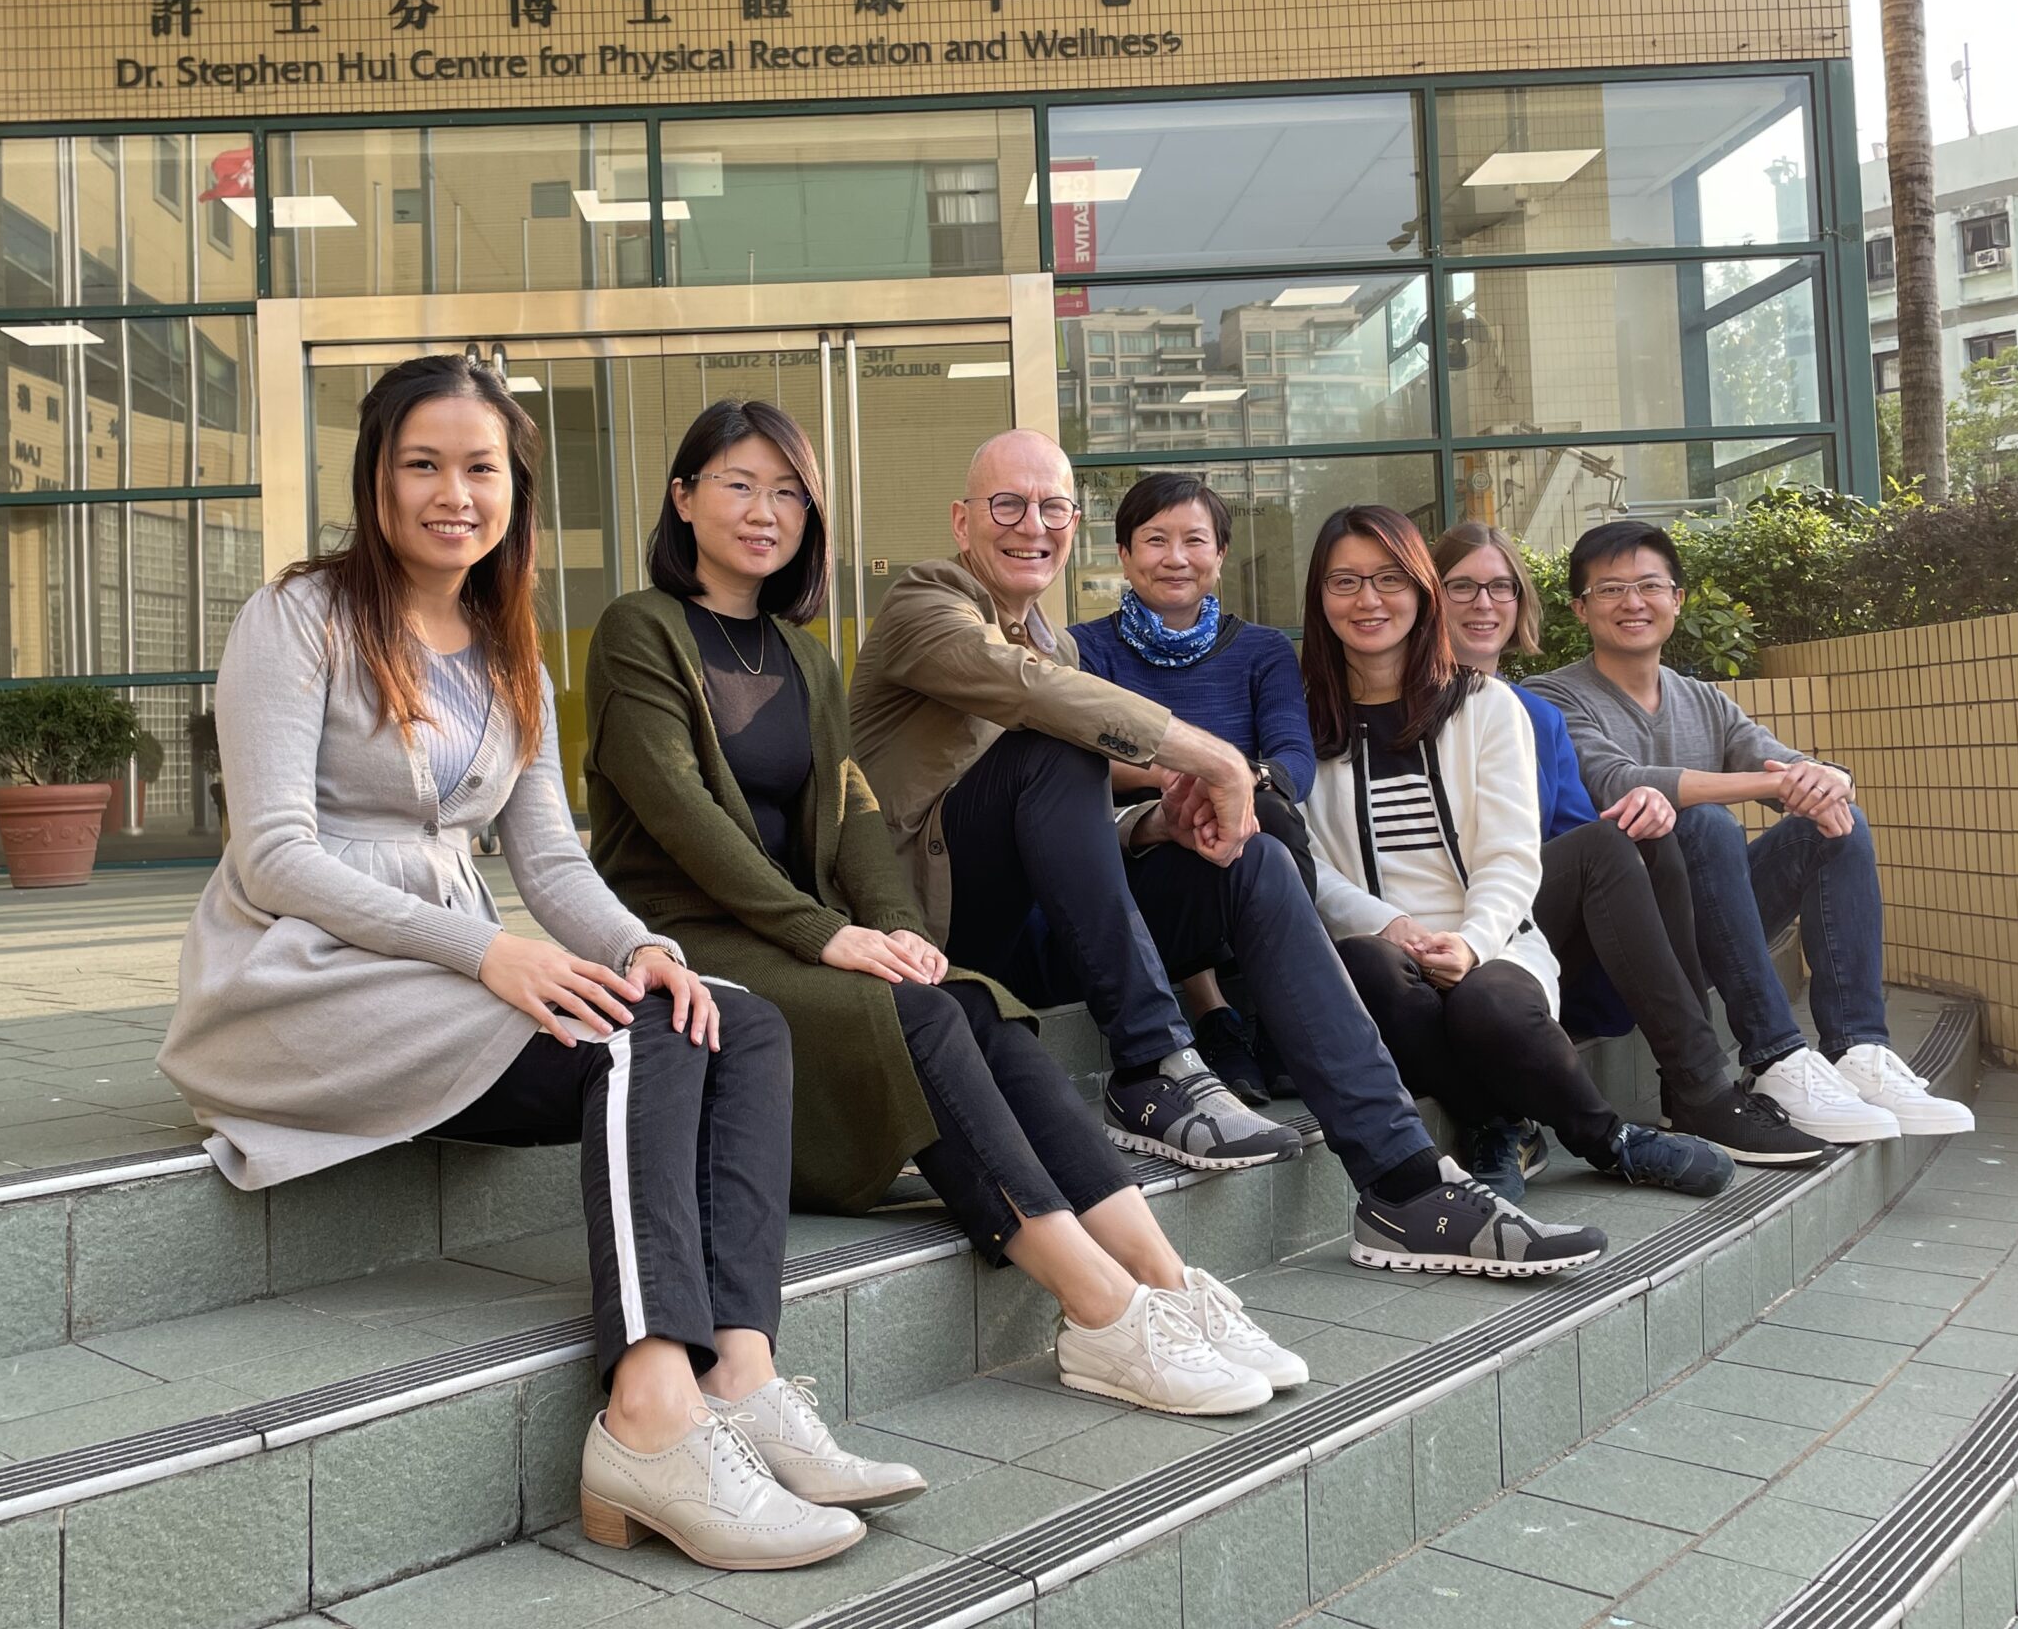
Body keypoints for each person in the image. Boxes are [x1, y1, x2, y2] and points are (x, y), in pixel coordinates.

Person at [162, 354, 876, 1574]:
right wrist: (487, 953)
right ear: (375, 478)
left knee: (731, 1020)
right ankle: (650, 1416)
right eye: (422, 464)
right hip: (298, 977)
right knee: (631, 1043)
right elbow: (274, 855)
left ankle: (742, 1375)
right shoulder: (296, 617)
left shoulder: (513, 654)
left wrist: (645, 950)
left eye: (479, 467)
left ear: (514, 488)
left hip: (445, 973)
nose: (454, 491)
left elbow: (547, 859)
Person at [585, 400, 1302, 1418]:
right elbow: (681, 819)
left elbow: (853, 817)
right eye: (739, 485)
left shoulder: (801, 655)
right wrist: (825, 931)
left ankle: (1164, 1278)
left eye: (788, 491)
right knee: (915, 1012)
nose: (765, 511)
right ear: (683, 499)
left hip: (804, 928)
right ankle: (1098, 1309)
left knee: (961, 997)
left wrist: (907, 936)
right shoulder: (636, 630)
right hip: (697, 936)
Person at [850, 428, 1607, 1278]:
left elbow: (1069, 825)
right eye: (1008, 504)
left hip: (1054, 935)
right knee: (1063, 736)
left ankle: (1405, 1182)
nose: (1034, 524)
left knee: (1249, 857)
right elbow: (1036, 704)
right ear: (961, 521)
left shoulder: (1059, 643)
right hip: (935, 933)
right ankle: (1150, 1063)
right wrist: (1206, 758)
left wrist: (1162, 825)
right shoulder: (924, 604)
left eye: (1053, 506)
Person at [1295, 504, 1738, 1201]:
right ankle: (1546, 1127)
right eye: (1344, 582)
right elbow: (1308, 864)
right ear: (1319, 599)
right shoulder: (1298, 716)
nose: (1369, 600)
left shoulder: (1485, 705)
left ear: (1420, 591)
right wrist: (1391, 925)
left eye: (1389, 578)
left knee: (1490, 1003)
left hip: (1491, 936)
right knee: (1370, 970)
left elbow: (1510, 853)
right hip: (1381, 946)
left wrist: (1471, 944)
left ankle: (1574, 1136)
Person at [1532, 520, 1973, 1140]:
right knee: (1706, 823)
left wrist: (1828, 779)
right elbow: (1620, 780)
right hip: (1618, 949)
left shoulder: (1703, 700)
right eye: (1610, 590)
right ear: (1580, 608)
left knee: (1836, 826)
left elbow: (1781, 760)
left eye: (1650, 585)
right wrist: (1778, 784)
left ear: (1677, 599)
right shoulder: (1551, 697)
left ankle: (1857, 1050)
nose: (1633, 603)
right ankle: (1773, 1056)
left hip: (1703, 927)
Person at [1429, 522, 1830, 1183]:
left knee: (1656, 828)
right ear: (1429, 598)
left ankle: (1743, 1074)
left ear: (1522, 603)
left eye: (1501, 586)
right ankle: (1701, 1086)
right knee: (1630, 837)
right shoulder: (1402, 708)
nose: (1483, 602)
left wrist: (1649, 810)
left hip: (1537, 938)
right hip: (1438, 934)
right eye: (1461, 586)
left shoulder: (1537, 715)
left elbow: (1584, 848)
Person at [1071, 472, 1313, 1104]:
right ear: (1123, 554)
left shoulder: (1264, 651)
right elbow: (1086, 762)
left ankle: (1260, 1023)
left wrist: (1240, 785)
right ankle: (1215, 1019)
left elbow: (1293, 760)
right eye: (1155, 540)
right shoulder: (1085, 651)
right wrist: (1198, 775)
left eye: (1195, 541)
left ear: (1220, 553)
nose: (1175, 559)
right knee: (1220, 823)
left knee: (1273, 816)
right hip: (1138, 861)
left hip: (1244, 833)